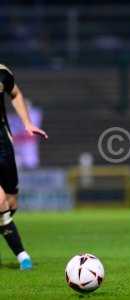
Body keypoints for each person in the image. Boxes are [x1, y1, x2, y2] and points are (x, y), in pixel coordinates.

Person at [0, 64, 48, 270]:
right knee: (0, 203)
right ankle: (23, 256)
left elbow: (16, 93)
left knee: (11, 204)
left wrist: (27, 123)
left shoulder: (3, 73)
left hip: (3, 144)